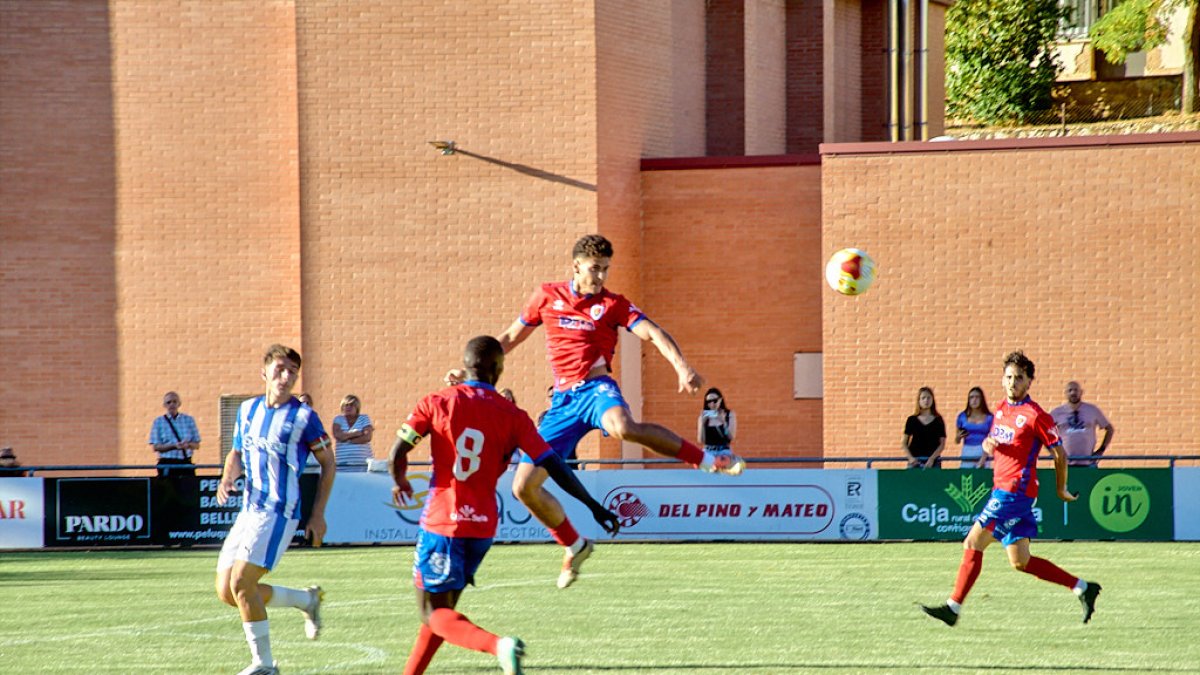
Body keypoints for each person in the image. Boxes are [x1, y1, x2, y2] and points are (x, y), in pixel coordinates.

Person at [457, 234, 744, 589]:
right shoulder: (546, 295)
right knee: (523, 487)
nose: (601, 277)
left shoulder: (613, 304)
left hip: (596, 389)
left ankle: (706, 459)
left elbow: (653, 333)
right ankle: (574, 545)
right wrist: (470, 373)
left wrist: (681, 366)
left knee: (622, 426)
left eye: (606, 269)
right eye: (595, 269)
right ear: (576, 266)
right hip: (562, 402)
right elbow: (510, 337)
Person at [391, 336, 617, 675]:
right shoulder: (514, 415)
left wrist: (401, 480)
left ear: (465, 364)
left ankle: (499, 645)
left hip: (443, 522)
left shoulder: (437, 401)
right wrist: (591, 504)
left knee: (432, 612)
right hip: (482, 527)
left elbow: (398, 450)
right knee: (444, 611)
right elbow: (554, 464)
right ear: (498, 369)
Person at [922, 351, 1101, 627]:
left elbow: (1060, 455)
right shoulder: (1001, 409)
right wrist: (987, 445)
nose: (1012, 382)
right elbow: (995, 440)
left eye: (1019, 378)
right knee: (1021, 561)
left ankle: (953, 608)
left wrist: (1061, 488)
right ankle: (1082, 588)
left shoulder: (1036, 415)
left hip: (1014, 492)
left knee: (972, 541)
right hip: (1002, 489)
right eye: (1008, 377)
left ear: (1030, 382)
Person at [214, 344, 337, 675]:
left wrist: (318, 513)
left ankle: (264, 664)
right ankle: (305, 600)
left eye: (292, 372)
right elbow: (236, 452)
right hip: (249, 510)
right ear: (264, 372)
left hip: (279, 511)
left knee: (242, 583)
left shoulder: (303, 417)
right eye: (280, 369)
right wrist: (227, 479)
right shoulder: (247, 410)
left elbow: (328, 463)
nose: (286, 377)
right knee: (227, 591)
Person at [1051, 381, 1114, 468]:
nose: (1073, 393)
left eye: (1076, 390)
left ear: (1081, 392)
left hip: (1089, 462)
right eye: (1070, 390)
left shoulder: (1092, 410)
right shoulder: (1057, 412)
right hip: (1065, 463)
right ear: (1065, 393)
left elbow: (1110, 429)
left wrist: (1101, 450)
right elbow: (1044, 432)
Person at [148, 391, 201, 478]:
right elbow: (156, 447)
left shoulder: (189, 420)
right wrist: (174, 446)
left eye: (174, 402)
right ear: (164, 405)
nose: (172, 404)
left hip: (185, 462)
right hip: (167, 463)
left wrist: (188, 445)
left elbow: (197, 445)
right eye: (169, 402)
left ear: (179, 404)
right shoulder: (158, 422)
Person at [902, 387, 946, 469]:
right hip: (915, 461)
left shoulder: (938, 420)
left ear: (933, 400)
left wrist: (932, 459)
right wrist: (910, 458)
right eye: (923, 398)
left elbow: (942, 444)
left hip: (933, 462)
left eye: (929, 398)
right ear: (919, 401)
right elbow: (904, 443)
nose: (926, 400)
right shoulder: (912, 420)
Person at [332, 394, 374, 472]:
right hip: (343, 465)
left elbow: (367, 437)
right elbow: (338, 436)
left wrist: (347, 439)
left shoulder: (364, 418)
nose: (348, 407)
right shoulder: (338, 419)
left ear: (357, 407)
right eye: (346, 405)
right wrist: (355, 433)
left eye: (351, 405)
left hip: (362, 464)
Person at [954, 387, 993, 468]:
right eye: (971, 397)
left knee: (982, 479)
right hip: (967, 450)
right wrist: (958, 437)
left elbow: (991, 440)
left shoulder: (990, 417)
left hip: (983, 450)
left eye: (977, 397)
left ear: (982, 399)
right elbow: (957, 441)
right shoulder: (962, 416)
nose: (974, 400)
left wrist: (983, 458)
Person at [697, 387, 736, 454]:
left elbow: (730, 436)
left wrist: (724, 422)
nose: (712, 404)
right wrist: (702, 424)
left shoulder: (728, 414)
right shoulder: (704, 415)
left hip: (723, 452)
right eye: (709, 401)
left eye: (715, 401)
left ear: (720, 400)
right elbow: (701, 440)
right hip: (708, 451)